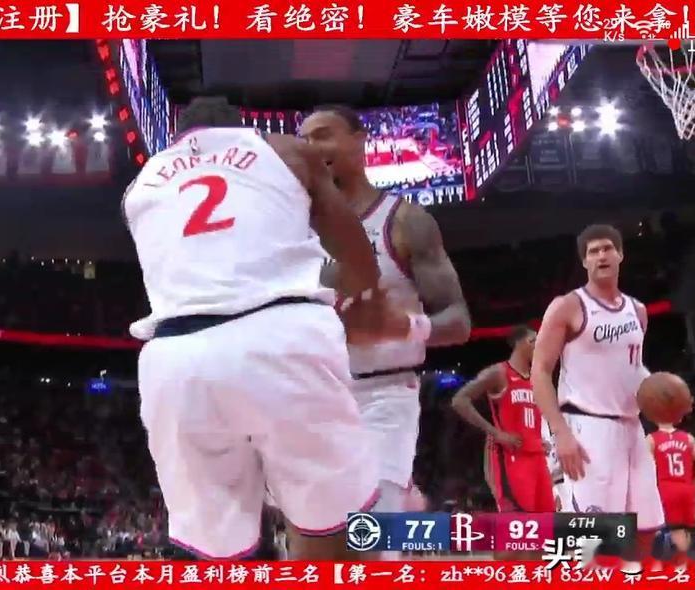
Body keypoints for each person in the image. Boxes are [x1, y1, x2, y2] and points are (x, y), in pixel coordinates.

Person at [124, 96, 412, 560]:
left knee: (216, 552)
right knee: (334, 529)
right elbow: (357, 256)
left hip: (175, 358)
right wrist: (359, 291)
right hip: (281, 338)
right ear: (241, 130)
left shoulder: (139, 186)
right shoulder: (286, 150)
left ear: (178, 140)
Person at [300, 105, 471, 557]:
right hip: (313, 396)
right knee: (320, 549)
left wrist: (404, 326)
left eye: (324, 135)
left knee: (372, 542)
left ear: (360, 140)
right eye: (306, 141)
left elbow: (459, 320)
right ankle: (407, 499)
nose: (312, 148)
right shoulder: (293, 229)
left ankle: (398, 501)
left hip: (384, 393)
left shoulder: (404, 221)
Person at [531, 224, 665, 569]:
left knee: (646, 528)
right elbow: (540, 372)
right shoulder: (568, 306)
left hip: (631, 426)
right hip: (587, 427)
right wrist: (560, 432)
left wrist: (659, 390)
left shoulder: (638, 311)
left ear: (621, 255)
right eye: (593, 251)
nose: (601, 255)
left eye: (607, 248)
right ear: (584, 261)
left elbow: (633, 367)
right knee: (592, 539)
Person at [450, 326, 553, 515]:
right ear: (520, 344)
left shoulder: (536, 379)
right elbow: (459, 400)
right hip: (510, 457)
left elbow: (529, 419)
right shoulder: (498, 373)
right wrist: (496, 433)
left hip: (537, 458)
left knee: (546, 521)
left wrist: (538, 440)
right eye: (533, 341)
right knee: (517, 522)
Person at [647, 421, 695, 561]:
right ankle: (687, 565)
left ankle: (674, 566)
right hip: (686, 488)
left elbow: (646, 469)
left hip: (665, 489)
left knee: (666, 531)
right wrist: (694, 486)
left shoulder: (651, 439)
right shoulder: (689, 438)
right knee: (684, 531)